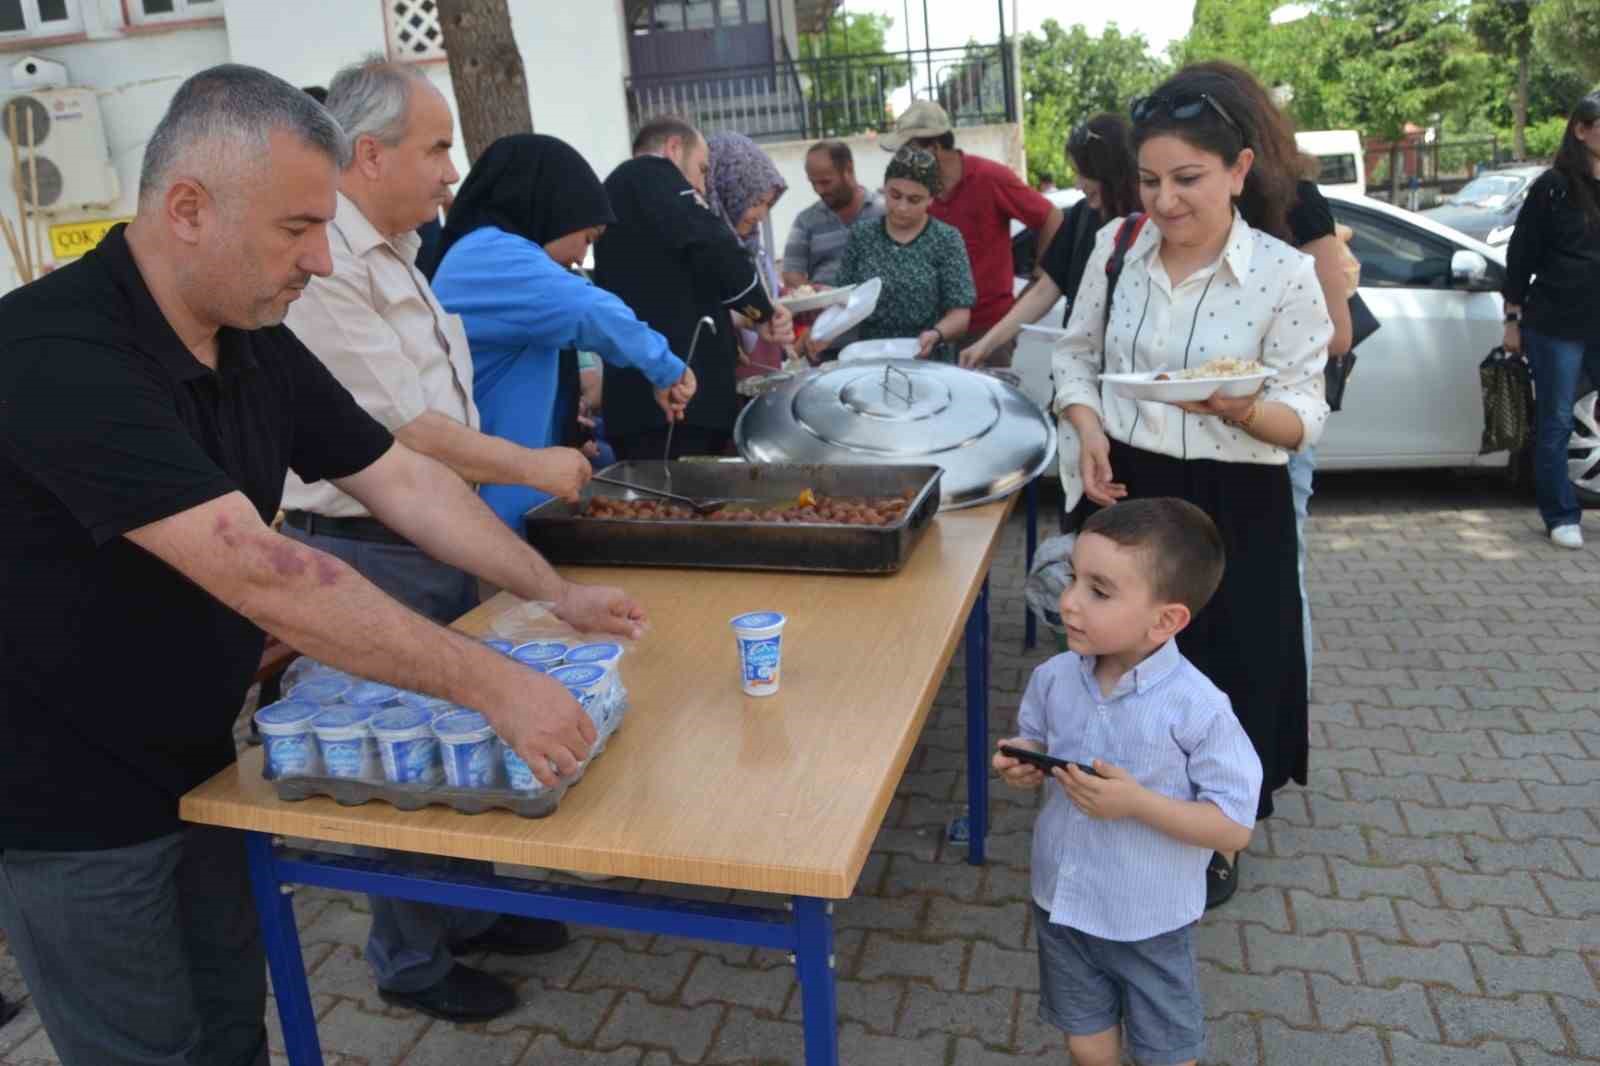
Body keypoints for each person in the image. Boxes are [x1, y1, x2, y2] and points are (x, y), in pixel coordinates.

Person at [0, 64, 644, 1066]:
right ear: (188, 209)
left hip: (203, 761)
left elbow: (401, 477)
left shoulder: (251, 338)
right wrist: (490, 684)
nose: (324, 260)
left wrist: (550, 592)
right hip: (73, 804)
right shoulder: (53, 353)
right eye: (299, 229)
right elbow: (262, 573)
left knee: (227, 1031)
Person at [279, 62, 616, 1023]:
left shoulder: (398, 248)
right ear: (370, 152)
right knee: (402, 758)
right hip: (367, 542)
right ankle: (411, 959)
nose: (451, 171)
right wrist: (529, 463)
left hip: (430, 530)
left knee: (459, 738)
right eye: (435, 148)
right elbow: (400, 430)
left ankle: (464, 912)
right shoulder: (327, 264)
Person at [1053, 66, 1332, 908]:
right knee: (1123, 660)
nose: (1165, 203)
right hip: (1131, 485)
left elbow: (1304, 415)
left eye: (1188, 180)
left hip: (1234, 494)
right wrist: (1089, 429)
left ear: (1240, 171)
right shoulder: (1113, 249)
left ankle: (1217, 835)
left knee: (1227, 669)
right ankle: (1124, 800)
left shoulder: (1284, 273)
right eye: (1149, 180)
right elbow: (1076, 357)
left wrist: (1241, 409)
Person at [994, 497, 1261, 1066]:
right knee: (1085, 1039)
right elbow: (1036, 739)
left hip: (1148, 921)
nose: (1068, 602)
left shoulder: (1199, 709)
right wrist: (1024, 758)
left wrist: (1136, 803)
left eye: (1099, 590)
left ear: (1165, 620)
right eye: (1073, 579)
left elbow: (1234, 828)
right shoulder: (1054, 677)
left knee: (1167, 1053)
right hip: (1061, 903)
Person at [1187, 61, 1359, 695]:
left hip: (1262, 433)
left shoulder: (1296, 203)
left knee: (1266, 596)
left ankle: (1262, 746)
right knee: (1232, 597)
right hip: (1190, 433)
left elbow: (1333, 335)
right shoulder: (1181, 207)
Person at [428, 133, 696, 532]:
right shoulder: (491, 255)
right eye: (586, 239)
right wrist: (667, 369)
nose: (579, 258)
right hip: (487, 509)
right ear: (556, 208)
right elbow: (591, 311)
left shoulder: (490, 256)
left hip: (507, 498)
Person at [592, 116, 794, 460]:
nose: (702, 187)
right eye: (701, 170)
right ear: (673, 149)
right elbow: (714, 245)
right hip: (678, 404)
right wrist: (760, 309)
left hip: (636, 401)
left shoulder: (616, 189)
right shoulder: (654, 177)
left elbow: (672, 281)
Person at [881, 99, 1063, 366]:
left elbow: (1051, 216)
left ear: (933, 147)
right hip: (929, 332)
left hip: (986, 330)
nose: (901, 160)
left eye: (907, 151)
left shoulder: (989, 177)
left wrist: (1039, 276)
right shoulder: (916, 191)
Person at [961, 113, 1140, 368]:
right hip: (1080, 371)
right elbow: (1046, 289)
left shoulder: (1151, 222)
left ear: (1108, 172)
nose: (1078, 185)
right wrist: (988, 342)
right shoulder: (1079, 217)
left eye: (1083, 175)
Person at [1503, 90, 1600, 550]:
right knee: (1558, 420)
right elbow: (1521, 253)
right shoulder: (1554, 187)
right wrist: (1512, 316)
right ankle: (1561, 514)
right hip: (1557, 322)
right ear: (1581, 130)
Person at [812, 146, 975, 358]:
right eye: (895, 195)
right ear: (884, 189)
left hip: (926, 356)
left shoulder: (946, 239)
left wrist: (936, 334)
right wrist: (823, 331)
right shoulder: (862, 235)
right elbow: (844, 298)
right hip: (870, 355)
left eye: (914, 200)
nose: (902, 207)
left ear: (931, 199)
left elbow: (960, 314)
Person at [704, 131, 788, 378]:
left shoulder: (752, 246)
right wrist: (749, 318)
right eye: (755, 202)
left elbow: (767, 292)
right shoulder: (706, 248)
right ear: (725, 190)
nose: (761, 215)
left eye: (768, 204)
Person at [780, 139, 886, 291]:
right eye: (813, 183)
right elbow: (791, 277)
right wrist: (815, 293)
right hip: (826, 310)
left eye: (825, 182)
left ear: (848, 170)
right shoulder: (806, 221)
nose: (819, 190)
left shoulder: (884, 211)